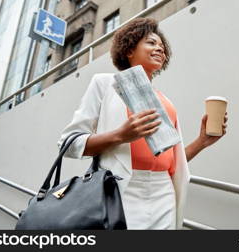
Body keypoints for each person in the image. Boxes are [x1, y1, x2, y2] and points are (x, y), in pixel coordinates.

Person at [57, 17, 228, 230]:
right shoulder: (104, 84)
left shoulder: (166, 101)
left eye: (162, 46)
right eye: (151, 42)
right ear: (129, 50)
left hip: (164, 191)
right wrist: (120, 135)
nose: (160, 48)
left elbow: (173, 163)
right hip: (121, 189)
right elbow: (68, 143)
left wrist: (202, 141)